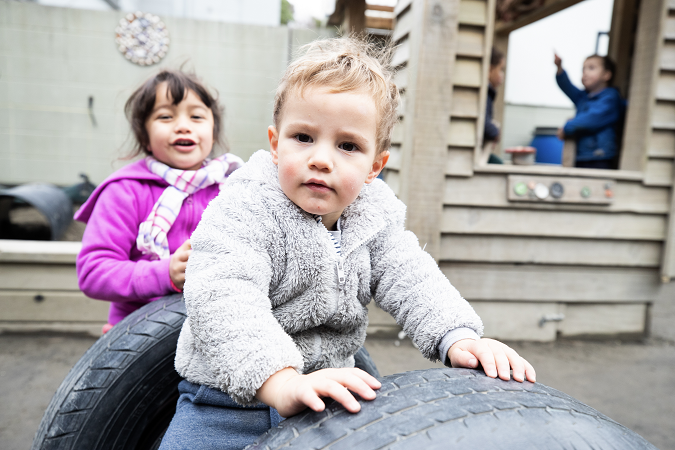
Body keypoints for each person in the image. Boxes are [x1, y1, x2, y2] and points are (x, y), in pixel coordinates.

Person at [159, 37, 536, 450]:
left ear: (375, 165)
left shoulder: (375, 217)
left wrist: (459, 337)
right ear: (274, 143)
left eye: (348, 146)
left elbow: (412, 277)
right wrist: (278, 381)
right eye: (303, 137)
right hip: (229, 402)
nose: (321, 159)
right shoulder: (245, 208)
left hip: (329, 397)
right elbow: (222, 295)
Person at [74, 70, 243, 333]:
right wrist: (165, 274)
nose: (183, 125)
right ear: (144, 136)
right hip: (140, 335)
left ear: (213, 130)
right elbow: (93, 272)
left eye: (196, 116)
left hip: (216, 329)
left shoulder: (233, 188)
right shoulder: (125, 191)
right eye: (165, 116)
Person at [554, 53, 624, 169]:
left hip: (600, 158)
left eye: (591, 68)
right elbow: (567, 86)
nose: (585, 73)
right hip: (581, 156)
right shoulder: (583, 97)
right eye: (583, 69)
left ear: (606, 75)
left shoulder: (610, 99)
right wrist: (559, 68)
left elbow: (590, 119)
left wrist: (567, 127)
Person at [482, 47, 506, 164]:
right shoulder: (485, 94)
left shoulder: (488, 93)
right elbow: (484, 125)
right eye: (500, 69)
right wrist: (496, 132)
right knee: (499, 164)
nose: (502, 75)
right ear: (490, 70)